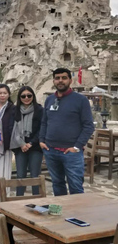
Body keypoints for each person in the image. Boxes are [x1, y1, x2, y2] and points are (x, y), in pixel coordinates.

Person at [39, 68, 94, 196]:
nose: (60, 81)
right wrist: (42, 140)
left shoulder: (81, 100)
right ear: (53, 81)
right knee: (57, 184)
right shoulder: (49, 100)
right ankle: (61, 214)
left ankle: (77, 215)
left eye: (64, 78)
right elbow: (44, 122)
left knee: (76, 187)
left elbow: (88, 126)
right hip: (51, 150)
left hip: (71, 153)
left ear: (70, 80)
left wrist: (77, 146)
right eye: (57, 78)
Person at [10, 86, 44, 196]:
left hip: (35, 146)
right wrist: (21, 144)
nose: (26, 98)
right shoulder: (15, 111)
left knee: (35, 176)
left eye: (29, 95)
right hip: (20, 147)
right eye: (23, 96)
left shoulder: (39, 110)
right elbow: (12, 129)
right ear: (20, 98)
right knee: (20, 175)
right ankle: (19, 199)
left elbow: (41, 129)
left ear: (33, 96)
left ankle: (37, 200)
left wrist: (30, 143)